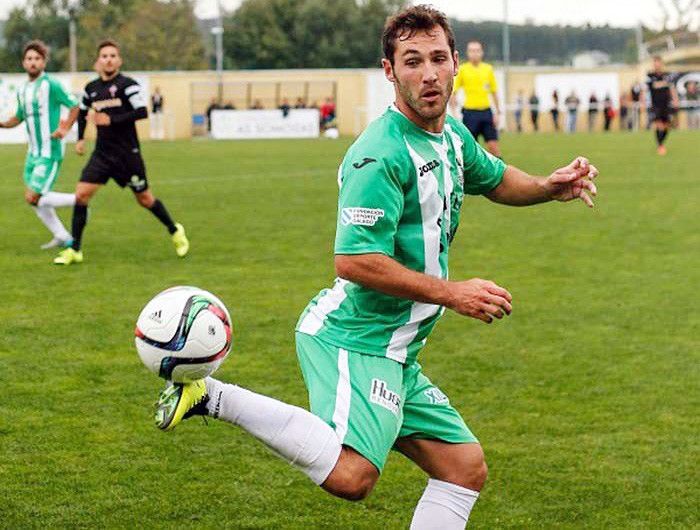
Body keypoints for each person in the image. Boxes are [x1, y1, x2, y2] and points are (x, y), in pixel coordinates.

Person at [152, 6, 599, 528]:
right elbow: (355, 261)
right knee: (353, 476)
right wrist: (453, 293)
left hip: (397, 348)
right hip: (354, 337)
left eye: (437, 58)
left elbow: (496, 179)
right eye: (412, 62)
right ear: (390, 71)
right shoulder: (379, 155)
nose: (428, 74)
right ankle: (213, 396)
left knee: (462, 468)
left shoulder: (451, 137)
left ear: (457, 63)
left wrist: (548, 188)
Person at [53, 40, 189, 265]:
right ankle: (75, 249)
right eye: (104, 55)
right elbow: (83, 113)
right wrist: (79, 139)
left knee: (145, 199)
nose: (108, 59)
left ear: (119, 60)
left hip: (128, 154)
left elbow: (142, 111)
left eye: (113, 55)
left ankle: (175, 230)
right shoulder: (91, 89)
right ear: (98, 61)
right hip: (102, 154)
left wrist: (112, 119)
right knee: (81, 195)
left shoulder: (128, 85)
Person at [0, 40, 80, 250]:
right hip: (33, 152)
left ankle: (80, 200)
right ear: (23, 63)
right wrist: (2, 123)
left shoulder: (51, 85)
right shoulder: (23, 89)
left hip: (50, 150)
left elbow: (74, 106)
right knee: (35, 199)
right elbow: (18, 117)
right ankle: (63, 236)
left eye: (37, 58)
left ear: (44, 62)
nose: (33, 62)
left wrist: (64, 129)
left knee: (33, 196)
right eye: (29, 59)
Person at [451, 40, 502, 157]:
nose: (475, 53)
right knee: (471, 150)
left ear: (482, 52)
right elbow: (454, 92)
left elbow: (494, 92)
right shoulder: (462, 69)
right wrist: (454, 113)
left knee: (493, 146)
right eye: (472, 51)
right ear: (468, 53)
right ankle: (471, 175)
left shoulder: (488, 69)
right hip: (470, 114)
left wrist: (498, 113)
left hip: (486, 112)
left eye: (477, 50)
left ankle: (500, 174)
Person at [643, 56, 679, 156]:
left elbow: (672, 88)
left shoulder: (667, 75)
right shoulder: (650, 76)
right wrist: (643, 102)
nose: (656, 65)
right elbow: (648, 88)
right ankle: (660, 146)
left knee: (667, 125)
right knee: (659, 124)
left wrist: (675, 99)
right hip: (656, 104)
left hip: (666, 104)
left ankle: (661, 144)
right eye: (655, 63)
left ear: (661, 64)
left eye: (658, 63)